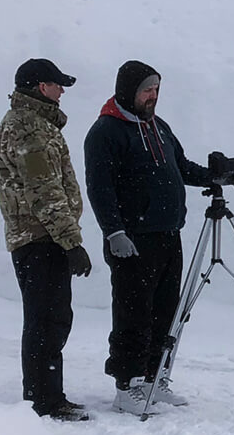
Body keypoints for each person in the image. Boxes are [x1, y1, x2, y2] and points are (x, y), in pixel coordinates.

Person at [83, 60, 223, 413]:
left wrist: (213, 177)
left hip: (166, 233)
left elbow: (181, 167)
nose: (153, 96)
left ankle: (153, 377)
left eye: (157, 89)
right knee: (133, 313)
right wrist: (113, 231)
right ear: (128, 91)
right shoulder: (106, 132)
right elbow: (100, 189)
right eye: (147, 89)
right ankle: (126, 385)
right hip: (132, 239)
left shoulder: (159, 127)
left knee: (165, 312)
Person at [0, 58, 93, 422]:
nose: (62, 90)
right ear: (40, 87)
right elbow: (44, 190)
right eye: (57, 84)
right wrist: (71, 242)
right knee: (46, 319)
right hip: (38, 237)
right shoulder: (28, 128)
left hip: (44, 235)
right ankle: (43, 400)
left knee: (53, 316)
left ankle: (48, 394)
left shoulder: (38, 124)